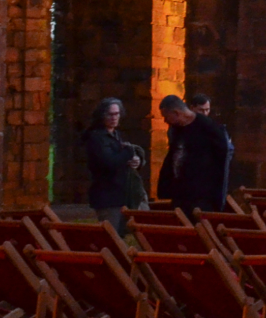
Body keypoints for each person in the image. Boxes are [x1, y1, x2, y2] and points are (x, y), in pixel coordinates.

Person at [156, 95, 231, 215]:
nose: (165, 121)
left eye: (166, 116)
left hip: (202, 195)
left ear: (176, 113)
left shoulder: (209, 128)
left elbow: (222, 159)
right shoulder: (176, 129)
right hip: (180, 193)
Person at [81, 98, 144, 231]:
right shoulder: (97, 137)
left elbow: (120, 159)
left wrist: (134, 161)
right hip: (107, 194)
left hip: (121, 193)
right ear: (102, 115)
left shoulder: (115, 134)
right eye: (110, 114)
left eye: (117, 114)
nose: (114, 117)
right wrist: (128, 152)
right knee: (112, 233)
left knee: (123, 232)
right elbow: (109, 162)